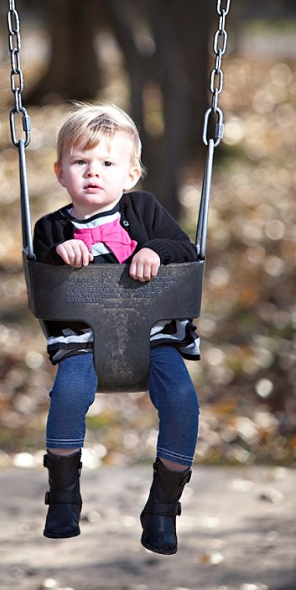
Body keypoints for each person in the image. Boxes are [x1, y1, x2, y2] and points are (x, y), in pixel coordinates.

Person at [33, 101, 200, 556]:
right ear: (60, 173)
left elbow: (183, 247)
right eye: (80, 162)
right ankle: (63, 499)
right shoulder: (51, 227)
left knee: (183, 403)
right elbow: (43, 263)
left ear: (130, 174)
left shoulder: (143, 210)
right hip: (83, 344)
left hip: (154, 338)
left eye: (107, 163)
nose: (93, 172)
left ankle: (163, 509)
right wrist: (61, 252)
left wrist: (155, 252)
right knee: (67, 396)